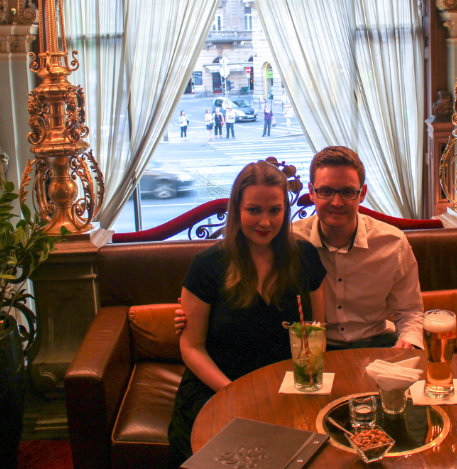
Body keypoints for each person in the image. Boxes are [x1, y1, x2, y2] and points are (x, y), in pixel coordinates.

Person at [175, 146, 423, 351]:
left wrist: (408, 341)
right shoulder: (287, 243)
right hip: (312, 350)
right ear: (311, 192)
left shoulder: (393, 243)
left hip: (376, 345)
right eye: (326, 191)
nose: (336, 202)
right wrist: (193, 314)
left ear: (362, 193)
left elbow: (410, 311)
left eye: (348, 192)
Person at [167, 161, 326, 467]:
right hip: (217, 390)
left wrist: (303, 385)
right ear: (237, 209)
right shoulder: (207, 265)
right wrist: (235, 392)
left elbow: (317, 330)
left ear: (285, 210)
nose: (265, 221)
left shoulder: (305, 256)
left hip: (284, 390)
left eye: (275, 210)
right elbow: (191, 347)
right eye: (254, 210)